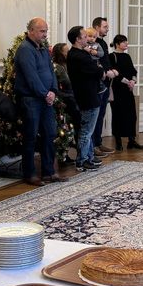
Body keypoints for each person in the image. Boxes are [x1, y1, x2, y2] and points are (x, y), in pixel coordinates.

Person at [14, 18, 65, 186]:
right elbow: (31, 77)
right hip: (31, 100)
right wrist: (45, 94)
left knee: (49, 135)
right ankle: (29, 174)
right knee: (30, 137)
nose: (45, 34)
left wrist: (53, 91)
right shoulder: (25, 49)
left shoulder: (43, 49)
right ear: (31, 31)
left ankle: (49, 172)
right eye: (42, 31)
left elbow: (50, 72)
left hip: (46, 100)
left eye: (46, 31)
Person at [66, 26, 105, 172]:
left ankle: (88, 158)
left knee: (87, 129)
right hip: (87, 96)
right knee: (86, 131)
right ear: (77, 39)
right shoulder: (79, 56)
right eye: (84, 36)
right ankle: (81, 161)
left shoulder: (77, 54)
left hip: (86, 95)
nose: (87, 39)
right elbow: (97, 71)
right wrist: (100, 70)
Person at [109, 34, 143, 151]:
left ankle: (131, 140)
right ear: (117, 44)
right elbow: (114, 73)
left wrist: (133, 81)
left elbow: (133, 71)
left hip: (128, 90)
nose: (126, 44)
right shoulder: (111, 56)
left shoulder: (127, 56)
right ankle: (118, 142)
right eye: (124, 42)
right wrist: (127, 82)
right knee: (118, 115)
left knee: (131, 114)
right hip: (117, 90)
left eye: (126, 41)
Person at [91, 17, 117, 156]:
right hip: (98, 84)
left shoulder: (103, 43)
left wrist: (111, 70)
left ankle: (98, 143)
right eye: (105, 27)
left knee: (101, 115)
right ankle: (94, 145)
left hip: (106, 82)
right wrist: (106, 72)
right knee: (96, 115)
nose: (107, 29)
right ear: (96, 27)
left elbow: (105, 61)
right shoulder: (93, 44)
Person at [52, 42, 80, 154]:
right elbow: (60, 85)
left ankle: (81, 151)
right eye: (66, 51)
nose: (69, 53)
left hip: (73, 97)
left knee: (77, 126)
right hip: (65, 100)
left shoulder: (68, 64)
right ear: (60, 53)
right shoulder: (56, 67)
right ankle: (65, 154)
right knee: (66, 128)